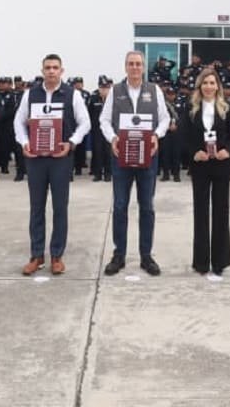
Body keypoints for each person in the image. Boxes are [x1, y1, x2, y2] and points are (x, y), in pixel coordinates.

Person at [13, 54, 91, 276]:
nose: (51, 71)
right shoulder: (30, 94)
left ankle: (57, 255)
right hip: (36, 159)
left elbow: (85, 123)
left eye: (55, 67)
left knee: (60, 208)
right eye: (47, 67)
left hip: (60, 159)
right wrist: (24, 143)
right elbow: (18, 122)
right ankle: (36, 255)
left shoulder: (72, 95)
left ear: (62, 70)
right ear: (42, 69)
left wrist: (72, 143)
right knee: (36, 208)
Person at [100, 52, 170, 276]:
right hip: (121, 156)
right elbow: (104, 120)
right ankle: (119, 254)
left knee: (147, 207)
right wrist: (112, 138)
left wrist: (156, 135)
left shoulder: (154, 90)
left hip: (147, 156)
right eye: (131, 64)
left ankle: (146, 256)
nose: (135, 68)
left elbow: (165, 118)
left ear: (143, 67)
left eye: (138, 64)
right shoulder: (115, 91)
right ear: (125, 67)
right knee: (120, 206)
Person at [185, 68, 230, 276]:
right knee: (201, 213)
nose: (209, 86)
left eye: (212, 83)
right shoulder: (191, 109)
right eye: (205, 83)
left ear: (218, 86)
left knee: (220, 212)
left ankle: (220, 262)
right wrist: (194, 153)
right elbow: (184, 136)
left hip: (221, 165)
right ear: (200, 86)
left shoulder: (227, 108)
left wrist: (228, 151)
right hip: (200, 166)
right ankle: (200, 262)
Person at [88, 75, 113, 182]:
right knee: (97, 152)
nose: (104, 90)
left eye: (106, 88)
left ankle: (108, 173)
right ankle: (97, 174)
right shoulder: (93, 98)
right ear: (99, 88)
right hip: (97, 130)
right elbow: (89, 113)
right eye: (102, 88)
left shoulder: (112, 99)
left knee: (108, 152)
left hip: (109, 130)